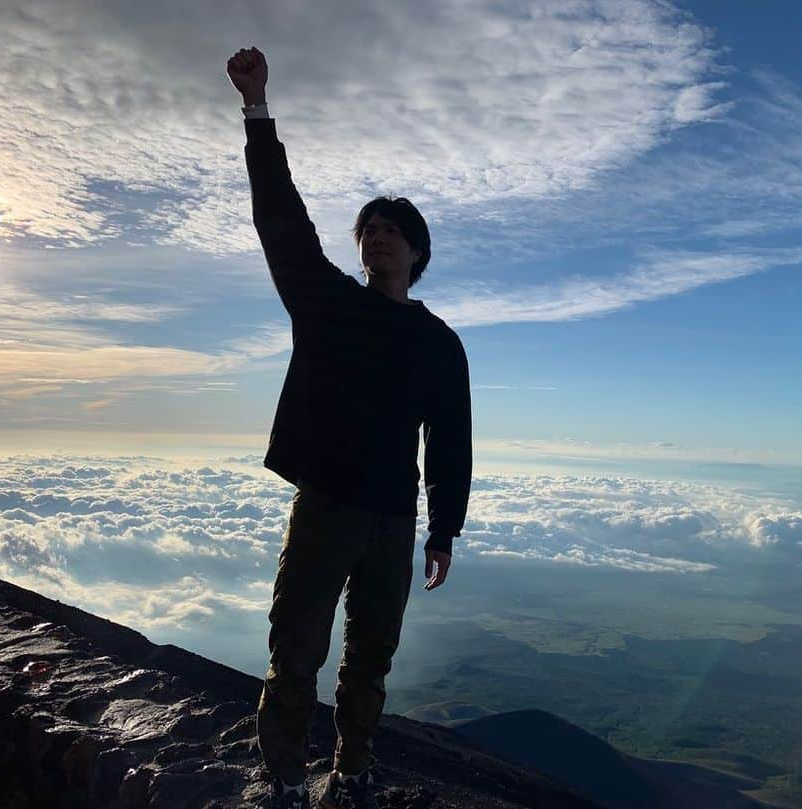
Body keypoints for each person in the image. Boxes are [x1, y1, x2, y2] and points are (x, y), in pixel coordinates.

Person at [226, 46, 473, 809]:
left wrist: (443, 529)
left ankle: (354, 767)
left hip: (394, 519)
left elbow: (451, 442)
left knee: (371, 654)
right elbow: (282, 221)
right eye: (369, 229)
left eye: (394, 230)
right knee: (295, 643)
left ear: (417, 252)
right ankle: (285, 776)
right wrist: (257, 110)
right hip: (328, 501)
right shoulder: (327, 303)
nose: (378, 237)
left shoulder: (439, 342)